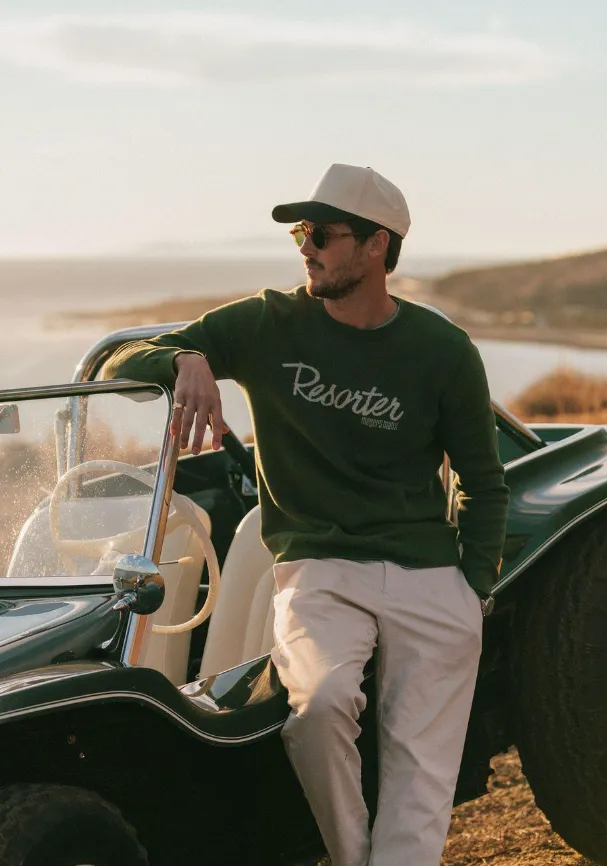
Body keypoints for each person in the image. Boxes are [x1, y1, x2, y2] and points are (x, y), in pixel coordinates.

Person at [102, 163, 509, 866]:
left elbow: (482, 479)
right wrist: (187, 359)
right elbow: (120, 365)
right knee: (317, 709)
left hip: (429, 573)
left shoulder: (442, 351)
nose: (304, 247)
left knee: (422, 769)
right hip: (318, 566)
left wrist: (473, 587)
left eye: (321, 232)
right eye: (299, 231)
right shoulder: (270, 323)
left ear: (377, 246)